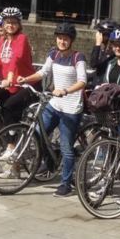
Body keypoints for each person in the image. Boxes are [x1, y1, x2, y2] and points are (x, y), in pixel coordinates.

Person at [18, 22, 86, 197]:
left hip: (71, 108)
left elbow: (82, 81)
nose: (62, 41)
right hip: (54, 104)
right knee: (38, 133)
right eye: (60, 38)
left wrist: (65, 90)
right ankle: (50, 162)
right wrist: (25, 79)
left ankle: (66, 184)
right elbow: (43, 72)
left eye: (65, 39)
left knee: (66, 147)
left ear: (71, 40)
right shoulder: (53, 54)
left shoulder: (78, 57)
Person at [0, 6, 37, 178]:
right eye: (7, 22)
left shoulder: (22, 39)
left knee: (8, 106)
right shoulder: (2, 40)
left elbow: (16, 59)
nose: (10, 25)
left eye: (14, 22)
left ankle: (11, 146)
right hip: (11, 85)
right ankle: (11, 154)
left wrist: (9, 78)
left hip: (27, 85)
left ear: (19, 24)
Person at [88, 19, 120, 87]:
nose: (99, 36)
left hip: (106, 85)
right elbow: (93, 64)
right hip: (97, 83)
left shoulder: (115, 52)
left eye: (102, 34)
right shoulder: (101, 48)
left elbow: (94, 64)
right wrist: (97, 45)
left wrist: (98, 44)